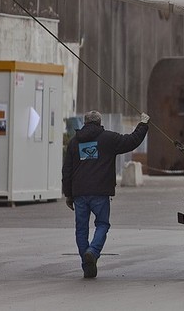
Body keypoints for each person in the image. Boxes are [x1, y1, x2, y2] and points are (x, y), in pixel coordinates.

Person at [63, 110, 150, 278]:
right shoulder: (108, 139)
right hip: (100, 193)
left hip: (79, 193)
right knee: (102, 224)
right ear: (99, 122)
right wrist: (143, 125)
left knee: (81, 229)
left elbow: (67, 171)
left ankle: (87, 264)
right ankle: (93, 252)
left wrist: (68, 194)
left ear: (84, 122)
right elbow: (131, 141)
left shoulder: (74, 143)